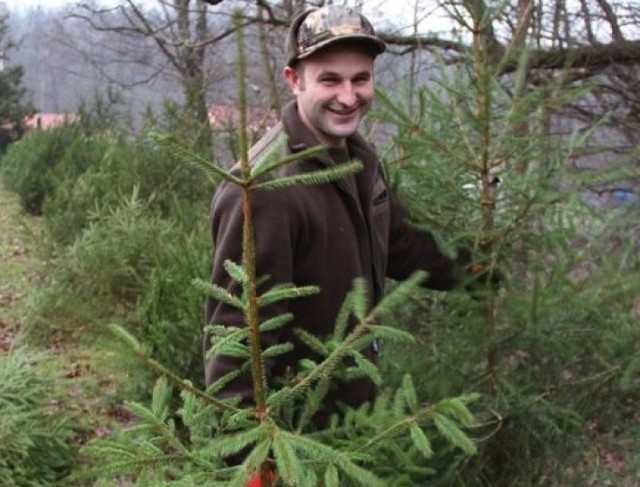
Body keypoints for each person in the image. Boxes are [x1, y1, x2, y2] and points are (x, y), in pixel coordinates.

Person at [204, 5, 473, 427]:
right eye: (330, 79)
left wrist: (476, 272)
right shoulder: (265, 189)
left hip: (356, 421)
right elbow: (238, 334)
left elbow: (402, 244)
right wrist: (250, 458)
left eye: (360, 79)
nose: (348, 97)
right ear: (294, 80)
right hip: (298, 436)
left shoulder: (358, 160)